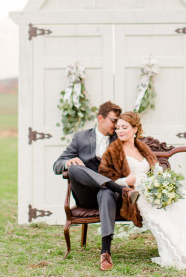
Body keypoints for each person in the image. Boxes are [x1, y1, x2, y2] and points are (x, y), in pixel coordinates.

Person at [98, 111, 186, 270]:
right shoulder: (113, 151)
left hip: (152, 189)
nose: (120, 131)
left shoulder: (143, 147)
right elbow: (104, 179)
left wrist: (162, 183)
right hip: (134, 195)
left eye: (124, 127)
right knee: (167, 211)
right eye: (117, 128)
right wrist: (126, 181)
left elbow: (155, 169)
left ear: (135, 129)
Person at [52, 101, 139, 271]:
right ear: (101, 118)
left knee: (106, 192)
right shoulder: (81, 138)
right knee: (75, 168)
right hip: (86, 194)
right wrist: (67, 162)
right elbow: (56, 165)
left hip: (108, 195)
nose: (117, 126)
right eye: (114, 121)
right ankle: (119, 189)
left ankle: (105, 252)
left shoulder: (119, 138)